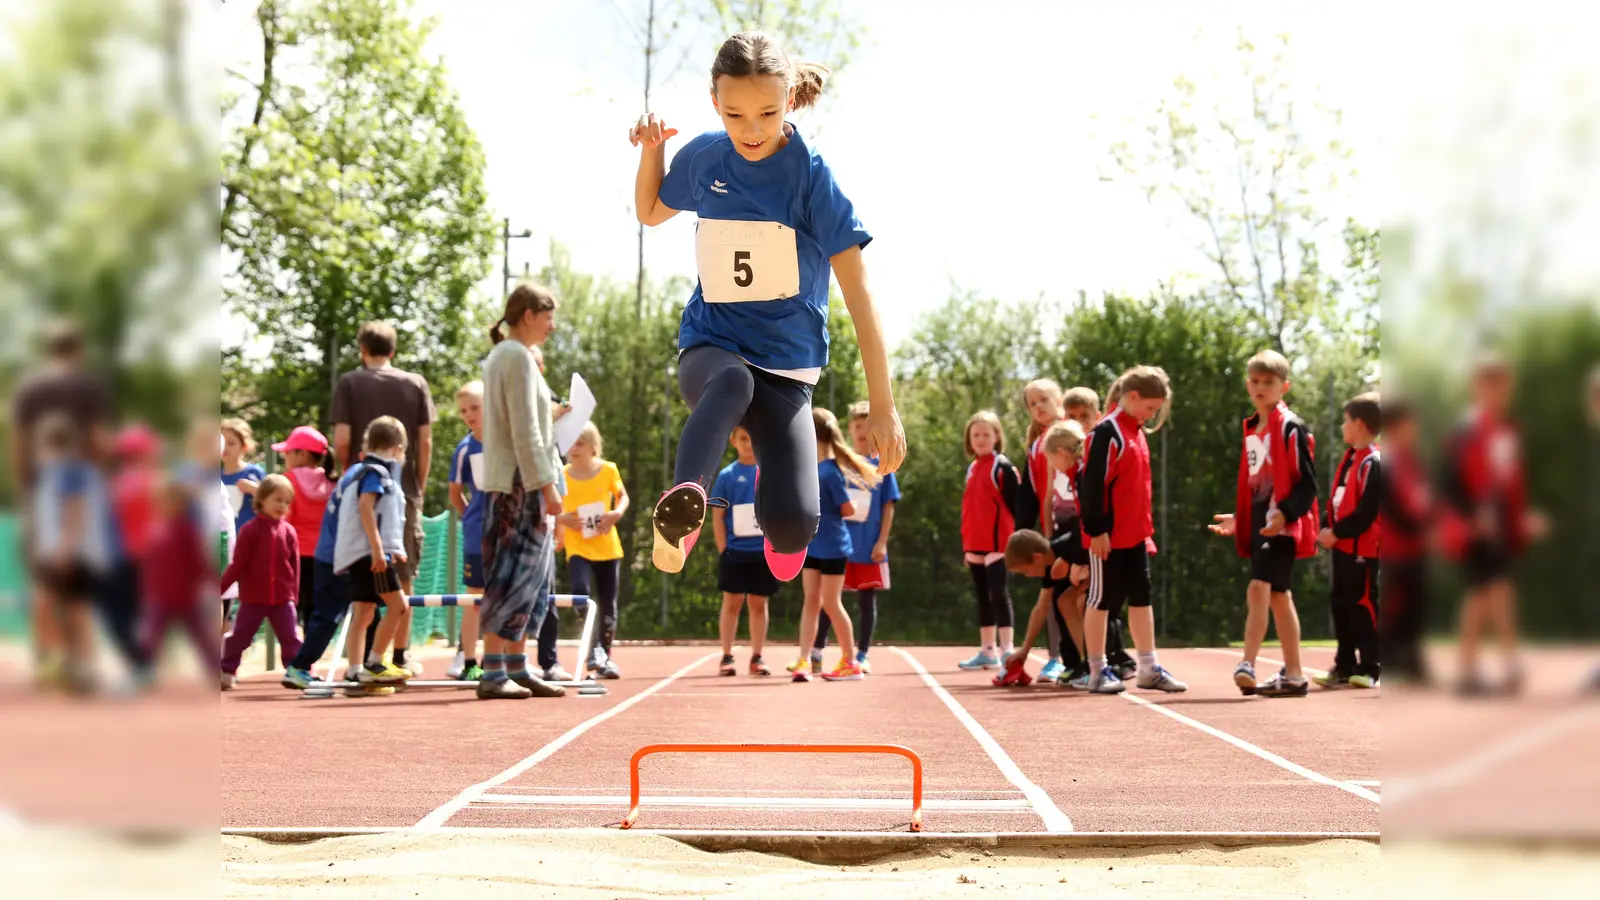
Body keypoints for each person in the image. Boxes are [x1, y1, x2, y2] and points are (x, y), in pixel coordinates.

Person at [630, 30, 906, 585]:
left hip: (787, 368)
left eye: (767, 114)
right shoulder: (707, 156)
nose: (750, 131)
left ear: (789, 101)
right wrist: (652, 152)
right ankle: (683, 507)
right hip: (713, 347)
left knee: (792, 528)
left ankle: (779, 502)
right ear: (715, 103)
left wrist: (883, 404)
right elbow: (651, 211)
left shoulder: (812, 178)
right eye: (734, 115)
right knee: (732, 383)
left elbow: (859, 296)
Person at [1208, 350, 1319, 698]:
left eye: (1268, 382)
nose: (1260, 388)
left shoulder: (1290, 427)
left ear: (1284, 386)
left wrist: (1285, 513)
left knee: (1259, 588)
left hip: (1282, 524)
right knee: (1279, 597)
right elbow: (1257, 484)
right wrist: (1241, 518)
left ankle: (1247, 663)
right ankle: (1295, 675)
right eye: (1255, 381)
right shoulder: (1253, 428)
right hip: (1260, 523)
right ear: (1247, 384)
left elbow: (1307, 484)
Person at [330, 321, 438, 669]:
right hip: (403, 489)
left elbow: (342, 440)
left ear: (363, 349)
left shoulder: (349, 383)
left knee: (362, 586)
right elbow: (425, 441)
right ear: (393, 350)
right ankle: (399, 656)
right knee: (402, 577)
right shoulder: (416, 383)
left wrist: (349, 474)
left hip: (358, 489)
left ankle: (359, 663)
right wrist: (417, 485)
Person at [477, 283, 566, 700]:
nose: (552, 326)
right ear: (528, 315)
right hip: (520, 483)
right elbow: (525, 429)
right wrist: (547, 486)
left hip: (518, 479)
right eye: (548, 317)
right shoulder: (515, 356)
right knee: (510, 574)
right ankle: (493, 672)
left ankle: (516, 667)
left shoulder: (509, 356)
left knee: (531, 579)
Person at [1440, 353, 1547, 695]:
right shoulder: (1466, 429)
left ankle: (1471, 669)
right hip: (1473, 526)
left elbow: (1511, 482)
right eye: (1491, 384)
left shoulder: (1508, 430)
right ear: (1478, 387)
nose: (1499, 391)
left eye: (1503, 385)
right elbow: (1450, 481)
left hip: (1498, 523)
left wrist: (1521, 518)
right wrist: (1473, 516)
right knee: (1491, 591)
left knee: (1487, 593)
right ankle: (1499, 663)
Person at [1079, 366, 1187, 694]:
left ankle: (1148, 668)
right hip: (1107, 538)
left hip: (1135, 535)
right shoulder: (1106, 433)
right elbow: (1091, 486)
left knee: (1142, 597)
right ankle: (1097, 670)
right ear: (1133, 397)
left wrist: (1144, 531)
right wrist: (1097, 530)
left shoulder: (1136, 431)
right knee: (1100, 599)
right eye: (1150, 407)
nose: (1152, 415)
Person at [996, 420, 1090, 687]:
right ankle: (1087, 662)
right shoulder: (1050, 561)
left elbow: (1083, 533)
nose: (1029, 576)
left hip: (1104, 558)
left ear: (1037, 558)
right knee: (1065, 600)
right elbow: (1040, 608)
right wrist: (1024, 651)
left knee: (1081, 600)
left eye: (1026, 571)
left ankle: (1101, 661)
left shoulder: (1060, 550)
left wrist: (1076, 564)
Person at [27, 412, 116, 694]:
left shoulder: (67, 469)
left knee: (58, 606)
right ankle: (77, 665)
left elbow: (74, 508)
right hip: (74, 552)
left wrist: (65, 546)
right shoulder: (64, 470)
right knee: (70, 607)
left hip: (72, 552)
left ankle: (72, 665)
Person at [790, 408, 878, 683]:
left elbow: (847, 509)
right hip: (812, 545)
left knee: (830, 602)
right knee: (811, 601)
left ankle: (850, 662)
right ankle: (804, 659)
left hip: (833, 548)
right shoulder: (812, 469)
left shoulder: (830, 472)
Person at [811, 401, 900, 674]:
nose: (862, 432)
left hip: (867, 544)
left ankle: (862, 654)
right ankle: (817, 648)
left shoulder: (882, 464)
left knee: (866, 600)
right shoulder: (839, 462)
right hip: (837, 544)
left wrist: (882, 542)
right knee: (829, 599)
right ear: (849, 428)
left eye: (868, 426)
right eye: (858, 426)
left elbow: (888, 506)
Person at [1317, 393, 1383, 689]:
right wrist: (1324, 527)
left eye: (1345, 421)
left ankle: (1371, 666)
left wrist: (1337, 532)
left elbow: (1367, 512)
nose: (1342, 427)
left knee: (1362, 605)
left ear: (1359, 424)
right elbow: (1337, 503)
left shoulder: (1374, 463)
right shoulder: (1350, 460)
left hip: (1362, 551)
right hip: (1342, 549)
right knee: (1341, 605)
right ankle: (1344, 665)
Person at [555, 423, 629, 679]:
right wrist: (562, 521)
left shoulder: (608, 470)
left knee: (608, 603)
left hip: (607, 547)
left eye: (580, 443)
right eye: (570, 443)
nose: (574, 449)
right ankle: (594, 648)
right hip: (578, 547)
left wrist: (616, 513)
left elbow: (623, 496)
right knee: (580, 594)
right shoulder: (561, 474)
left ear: (593, 447)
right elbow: (552, 507)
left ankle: (605, 656)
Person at [219, 474, 304, 689]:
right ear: (262, 499)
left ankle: (296, 671)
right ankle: (226, 670)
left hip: (282, 598)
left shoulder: (289, 532)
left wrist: (294, 596)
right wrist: (220, 587)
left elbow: (294, 566)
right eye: (277, 500)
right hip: (253, 599)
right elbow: (238, 565)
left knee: (291, 637)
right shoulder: (249, 530)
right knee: (240, 637)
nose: (282, 506)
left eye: (286, 502)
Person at [1013, 380, 1069, 681]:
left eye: (1044, 399)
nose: (1038, 406)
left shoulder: (1072, 435)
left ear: (1059, 400)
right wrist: (1022, 533)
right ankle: (1057, 657)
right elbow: (1031, 494)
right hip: (1052, 533)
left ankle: (1089, 657)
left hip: (1078, 528)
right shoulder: (1036, 446)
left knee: (1079, 595)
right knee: (1054, 595)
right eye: (1032, 404)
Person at [139, 474, 218, 687]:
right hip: (160, 598)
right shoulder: (154, 530)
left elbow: (199, 562)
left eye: (175, 501)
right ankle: (142, 672)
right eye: (166, 501)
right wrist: (146, 592)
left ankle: (215, 670)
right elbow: (149, 565)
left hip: (186, 598)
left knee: (201, 636)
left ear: (183, 505)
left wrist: (213, 582)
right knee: (151, 636)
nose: (170, 506)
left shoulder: (188, 531)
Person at [957, 410, 1019, 670]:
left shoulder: (1002, 467)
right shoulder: (972, 468)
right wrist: (966, 544)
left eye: (986, 434)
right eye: (976, 435)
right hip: (974, 544)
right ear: (969, 440)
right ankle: (987, 650)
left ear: (996, 437)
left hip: (999, 544)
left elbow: (1016, 506)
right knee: (982, 596)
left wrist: (1016, 542)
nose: (981, 439)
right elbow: (969, 509)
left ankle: (1007, 650)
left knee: (998, 594)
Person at [712, 426, 774, 676]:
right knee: (732, 603)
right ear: (733, 441)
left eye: (753, 438)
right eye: (744, 439)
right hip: (734, 551)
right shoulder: (726, 475)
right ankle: (727, 656)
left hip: (763, 552)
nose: (749, 444)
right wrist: (724, 549)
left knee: (759, 604)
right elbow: (718, 516)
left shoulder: (769, 473)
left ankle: (757, 656)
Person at [1381, 396, 1432, 686]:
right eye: (1410, 424)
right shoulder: (1388, 464)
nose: (1415, 430)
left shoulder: (1413, 462)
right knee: (1397, 606)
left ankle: (1411, 659)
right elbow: (1395, 508)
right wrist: (1419, 529)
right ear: (1395, 427)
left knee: (1416, 606)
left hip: (1416, 548)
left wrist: (1431, 526)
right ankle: (1393, 658)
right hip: (1396, 550)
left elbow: (1424, 499)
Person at [275, 426, 336, 631]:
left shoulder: (288, 481)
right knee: (317, 610)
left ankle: (298, 650)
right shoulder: (332, 481)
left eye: (287, 452)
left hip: (296, 556)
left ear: (302, 454)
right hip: (327, 556)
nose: (284, 456)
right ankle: (313, 647)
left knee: (293, 609)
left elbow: (284, 521)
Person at [447, 381, 488, 682]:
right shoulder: (464, 449)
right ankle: (470, 661)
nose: (469, 415)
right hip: (477, 536)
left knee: (505, 597)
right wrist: (471, 517)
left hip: (508, 535)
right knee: (474, 599)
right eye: (463, 411)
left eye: (475, 408)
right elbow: (455, 493)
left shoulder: (508, 441)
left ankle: (500, 659)